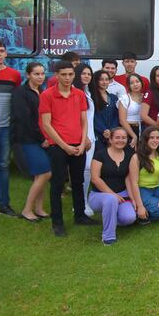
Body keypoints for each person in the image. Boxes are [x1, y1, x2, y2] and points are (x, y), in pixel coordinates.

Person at [39, 61, 98, 236]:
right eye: (63, 75)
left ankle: (80, 215)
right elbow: (46, 125)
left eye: (70, 75)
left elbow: (84, 120)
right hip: (58, 146)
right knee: (57, 184)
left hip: (77, 145)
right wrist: (64, 146)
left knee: (78, 181)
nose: (67, 78)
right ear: (56, 75)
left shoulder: (79, 94)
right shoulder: (47, 95)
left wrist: (81, 143)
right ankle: (57, 222)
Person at [11, 62, 51, 222]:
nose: (40, 77)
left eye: (42, 74)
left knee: (40, 174)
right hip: (26, 140)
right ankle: (27, 210)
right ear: (28, 75)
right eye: (36, 74)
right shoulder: (21, 93)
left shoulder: (41, 91)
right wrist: (43, 139)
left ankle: (39, 208)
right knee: (45, 173)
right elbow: (25, 119)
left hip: (40, 139)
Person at [87, 128, 138, 245]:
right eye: (117, 137)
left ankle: (111, 216)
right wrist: (112, 194)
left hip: (122, 193)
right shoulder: (100, 154)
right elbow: (95, 178)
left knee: (129, 218)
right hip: (99, 195)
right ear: (110, 139)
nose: (121, 140)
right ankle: (108, 237)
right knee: (111, 200)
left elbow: (129, 178)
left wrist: (133, 199)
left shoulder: (130, 154)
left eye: (124, 138)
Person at [0, 39, 21, 217]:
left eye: (1, 50)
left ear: (6, 53)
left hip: (5, 127)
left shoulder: (14, 75)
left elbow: (16, 101)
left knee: (3, 166)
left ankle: (3, 205)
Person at [74, 64, 96, 217]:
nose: (87, 76)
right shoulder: (75, 93)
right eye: (83, 74)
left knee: (88, 170)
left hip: (92, 138)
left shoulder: (88, 92)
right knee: (83, 169)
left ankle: (84, 201)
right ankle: (80, 204)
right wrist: (84, 137)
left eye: (89, 74)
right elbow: (76, 118)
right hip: (83, 138)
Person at [89, 69, 120, 153]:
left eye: (106, 79)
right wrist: (103, 130)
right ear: (96, 81)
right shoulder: (91, 97)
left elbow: (117, 116)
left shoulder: (113, 98)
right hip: (97, 135)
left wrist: (111, 130)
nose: (104, 82)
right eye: (101, 79)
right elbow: (94, 117)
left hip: (112, 134)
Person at [118, 73, 144, 149]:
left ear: (141, 83)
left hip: (143, 129)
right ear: (128, 85)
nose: (135, 84)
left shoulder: (145, 97)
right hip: (129, 129)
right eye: (132, 83)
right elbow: (122, 120)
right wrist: (133, 136)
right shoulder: (124, 98)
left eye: (137, 81)